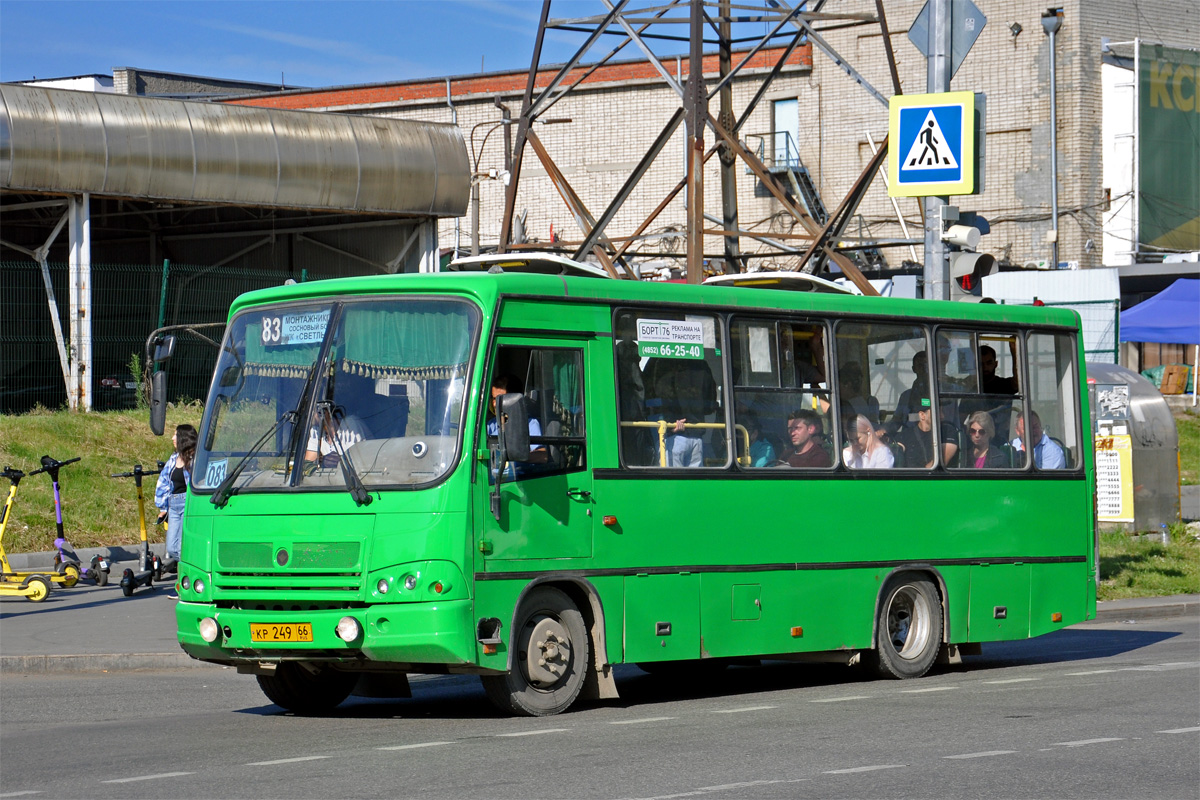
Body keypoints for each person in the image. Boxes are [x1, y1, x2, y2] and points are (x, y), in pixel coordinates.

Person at [643, 356, 717, 468]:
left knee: (673, 483)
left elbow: (651, 395)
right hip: (697, 435)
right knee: (693, 484)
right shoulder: (702, 364)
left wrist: (671, 423)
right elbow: (710, 404)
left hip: (671, 434)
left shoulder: (660, 361)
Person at [155, 423, 197, 561]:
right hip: (174, 505)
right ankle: (192, 565)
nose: (173, 438)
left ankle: (188, 575)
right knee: (172, 548)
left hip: (188, 504)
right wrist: (163, 507)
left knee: (181, 547)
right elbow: (163, 483)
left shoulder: (195, 460)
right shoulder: (173, 459)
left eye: (176, 435)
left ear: (184, 439)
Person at [486, 374, 547, 464]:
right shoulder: (491, 425)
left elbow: (542, 456)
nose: (495, 404)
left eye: (500, 399)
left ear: (513, 400)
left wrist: (512, 457)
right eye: (494, 399)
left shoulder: (530, 423)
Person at [896, 398, 959, 468]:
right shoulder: (905, 435)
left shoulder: (947, 431)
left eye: (942, 411)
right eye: (937, 412)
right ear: (922, 415)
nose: (942, 416)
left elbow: (940, 462)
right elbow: (897, 457)